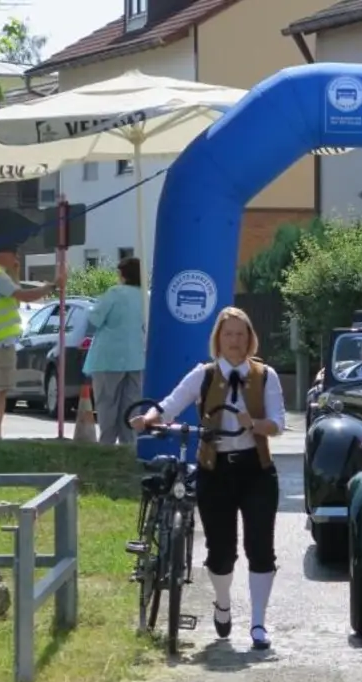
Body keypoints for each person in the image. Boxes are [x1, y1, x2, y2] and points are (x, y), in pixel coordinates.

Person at [130, 307, 285, 651]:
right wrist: (149, 418)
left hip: (256, 469)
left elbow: (277, 423)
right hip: (215, 469)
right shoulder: (203, 374)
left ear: (250, 339)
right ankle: (223, 602)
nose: (235, 341)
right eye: (228, 334)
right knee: (220, 552)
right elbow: (170, 404)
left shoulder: (265, 375)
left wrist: (254, 424)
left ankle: (258, 623)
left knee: (261, 548)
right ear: (218, 339)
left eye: (241, 335)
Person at [0, 245, 51, 438]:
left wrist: (15, 272)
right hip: (0, 342)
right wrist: (50, 286)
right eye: (15, 254)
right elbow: (24, 296)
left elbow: (15, 301)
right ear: (5, 254)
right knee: (0, 389)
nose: (17, 257)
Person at [83, 256, 147, 446]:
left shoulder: (114, 293)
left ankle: (107, 446)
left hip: (108, 359)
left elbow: (95, 318)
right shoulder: (146, 296)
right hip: (136, 358)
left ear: (122, 275)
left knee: (107, 404)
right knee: (131, 405)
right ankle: (128, 447)